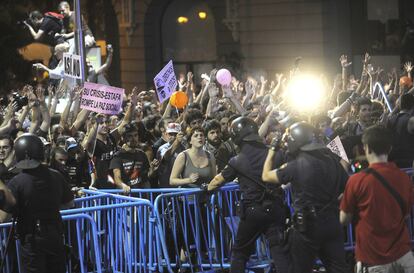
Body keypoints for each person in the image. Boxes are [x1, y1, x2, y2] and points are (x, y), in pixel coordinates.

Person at [262, 121, 350, 273]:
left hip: (307, 227)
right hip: (332, 222)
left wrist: (272, 149)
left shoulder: (295, 166)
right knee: (339, 269)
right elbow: (346, 181)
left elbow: (266, 176)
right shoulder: (332, 162)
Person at [208, 117, 288, 273]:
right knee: (279, 251)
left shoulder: (237, 160)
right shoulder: (277, 154)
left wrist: (206, 188)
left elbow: (216, 182)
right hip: (275, 208)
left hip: (253, 211)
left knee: (239, 253)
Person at [340, 125, 414, 272]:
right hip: (404, 256)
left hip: (373, 259)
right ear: (390, 148)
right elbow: (406, 214)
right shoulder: (404, 178)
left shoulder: (356, 181)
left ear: (366, 148)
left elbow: (344, 219)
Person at [7, 133, 74, 273]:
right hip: (55, 234)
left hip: (32, 238)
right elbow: (69, 203)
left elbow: (4, 216)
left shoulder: (16, 182)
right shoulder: (56, 175)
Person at [109, 124, 150, 193]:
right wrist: (123, 185)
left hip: (140, 196)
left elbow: (145, 177)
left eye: (135, 135)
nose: (133, 139)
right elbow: (117, 177)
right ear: (123, 138)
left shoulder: (142, 154)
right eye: (130, 136)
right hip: (126, 197)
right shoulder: (118, 156)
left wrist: (153, 170)